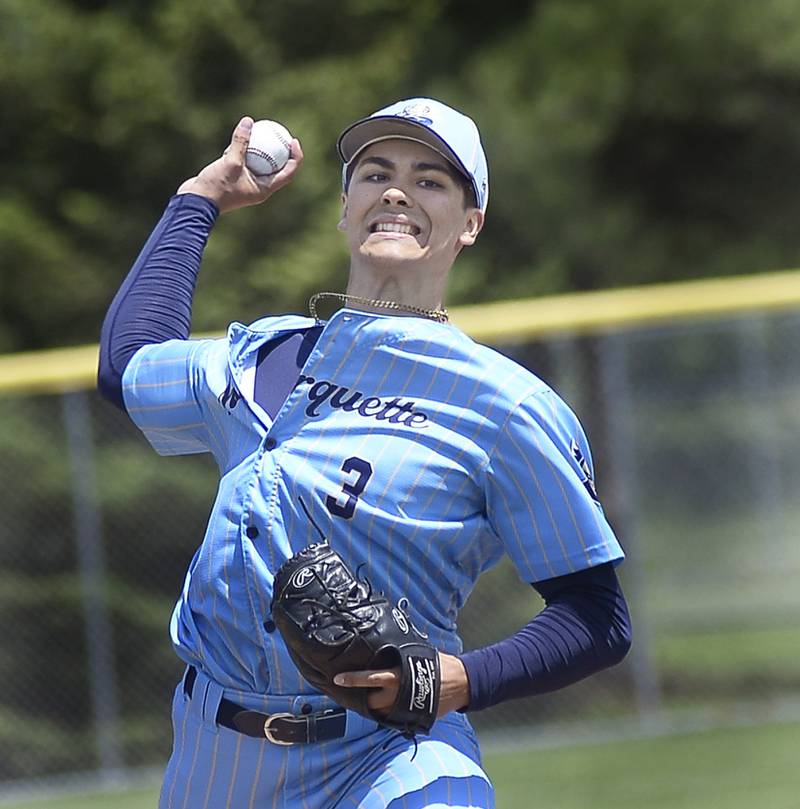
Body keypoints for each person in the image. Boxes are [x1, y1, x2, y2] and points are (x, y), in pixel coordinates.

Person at [98, 97, 632, 809]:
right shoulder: (262, 357)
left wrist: (462, 679)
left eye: (431, 180)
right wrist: (200, 200)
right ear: (345, 208)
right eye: (374, 172)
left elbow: (596, 615)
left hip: (388, 753)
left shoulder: (503, 405)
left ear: (470, 223)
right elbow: (127, 366)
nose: (396, 191)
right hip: (213, 755)